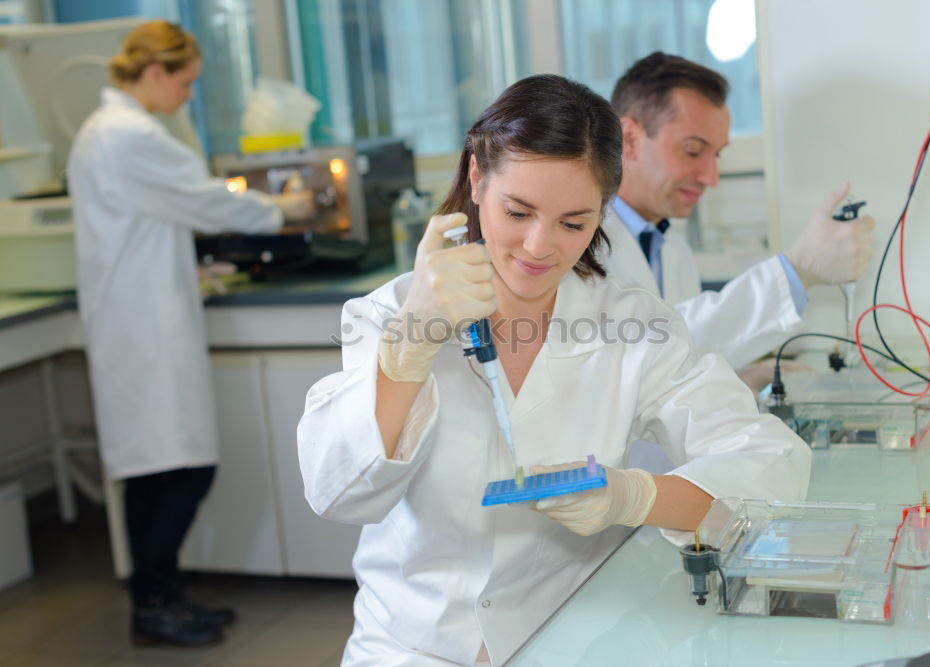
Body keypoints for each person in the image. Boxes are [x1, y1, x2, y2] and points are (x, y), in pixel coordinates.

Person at [297, 74, 811, 665]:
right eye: (518, 211)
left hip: (572, 641)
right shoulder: (388, 314)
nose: (540, 247)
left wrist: (636, 497)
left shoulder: (632, 324)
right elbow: (334, 492)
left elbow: (774, 464)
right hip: (406, 648)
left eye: (573, 223)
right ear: (476, 178)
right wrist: (411, 342)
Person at [68, 20, 311, 647]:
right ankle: (154, 602)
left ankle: (162, 596)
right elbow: (209, 203)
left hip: (138, 316)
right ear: (155, 73)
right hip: (143, 328)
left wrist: (191, 266)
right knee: (177, 470)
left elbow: (149, 222)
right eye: (186, 82)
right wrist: (283, 210)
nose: (189, 96)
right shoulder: (129, 136)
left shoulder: (108, 132)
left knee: (157, 468)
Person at [601, 52, 876, 387]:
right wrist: (797, 269)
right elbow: (649, 356)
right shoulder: (581, 250)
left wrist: (738, 379)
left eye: (716, 155)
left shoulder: (671, 249)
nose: (710, 177)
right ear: (629, 139)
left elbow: (680, 364)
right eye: (692, 151)